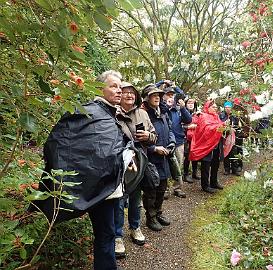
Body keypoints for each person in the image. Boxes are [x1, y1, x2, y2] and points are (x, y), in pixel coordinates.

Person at [34, 70, 138, 270]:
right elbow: (62, 143)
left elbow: (112, 146)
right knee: (106, 234)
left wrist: (128, 154)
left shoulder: (109, 113)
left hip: (110, 185)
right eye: (113, 86)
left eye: (120, 86)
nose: (119, 90)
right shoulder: (90, 112)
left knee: (106, 233)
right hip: (100, 187)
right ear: (100, 88)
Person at [114, 82, 157, 258]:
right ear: (119, 95)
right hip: (120, 164)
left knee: (136, 198)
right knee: (118, 200)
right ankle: (117, 236)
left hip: (139, 162)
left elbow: (154, 136)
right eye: (125, 93)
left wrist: (148, 136)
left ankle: (135, 227)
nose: (129, 95)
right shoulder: (113, 114)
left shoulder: (143, 114)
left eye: (132, 93)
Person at [141, 84, 176, 231]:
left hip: (164, 157)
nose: (157, 97)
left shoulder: (162, 112)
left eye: (158, 95)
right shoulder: (143, 114)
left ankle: (158, 212)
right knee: (151, 189)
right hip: (151, 158)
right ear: (146, 98)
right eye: (153, 95)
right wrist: (154, 148)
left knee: (162, 187)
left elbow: (170, 129)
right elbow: (138, 138)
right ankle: (151, 217)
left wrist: (172, 142)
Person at [189, 100, 225, 193]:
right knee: (206, 164)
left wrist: (223, 127)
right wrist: (220, 126)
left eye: (216, 107)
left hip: (216, 143)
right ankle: (205, 185)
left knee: (215, 164)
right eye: (213, 107)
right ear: (207, 107)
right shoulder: (204, 116)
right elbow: (206, 129)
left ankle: (214, 182)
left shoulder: (216, 117)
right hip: (206, 144)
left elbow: (219, 128)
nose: (215, 109)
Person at [162, 87, 192, 197]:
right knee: (164, 166)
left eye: (172, 95)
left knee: (178, 165)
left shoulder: (178, 110)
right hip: (165, 143)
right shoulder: (161, 109)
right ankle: (165, 189)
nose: (170, 97)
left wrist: (183, 107)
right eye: (168, 94)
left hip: (178, 142)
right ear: (163, 96)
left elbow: (189, 120)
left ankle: (177, 188)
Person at [219, 101, 243, 176]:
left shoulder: (235, 116)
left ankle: (235, 169)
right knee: (226, 153)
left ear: (231, 108)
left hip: (234, 137)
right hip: (225, 137)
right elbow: (219, 126)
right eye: (226, 107)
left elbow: (239, 126)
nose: (227, 109)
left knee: (234, 152)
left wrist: (235, 130)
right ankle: (227, 169)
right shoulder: (221, 115)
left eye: (229, 107)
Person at [183, 98, 200, 183]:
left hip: (195, 138)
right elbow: (178, 127)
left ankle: (194, 173)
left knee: (195, 154)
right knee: (187, 156)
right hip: (185, 138)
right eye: (189, 102)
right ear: (185, 104)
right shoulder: (182, 113)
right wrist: (188, 127)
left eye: (192, 103)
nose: (190, 104)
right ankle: (185, 174)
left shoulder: (197, 114)